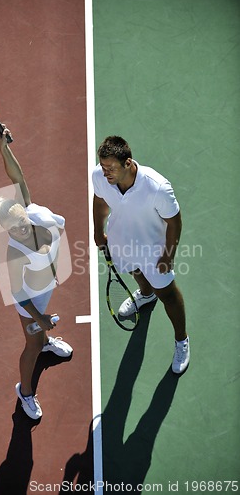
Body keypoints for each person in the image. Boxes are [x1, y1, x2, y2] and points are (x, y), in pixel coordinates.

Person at [0, 127, 73, 419]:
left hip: (47, 283)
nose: (20, 227)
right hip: (31, 299)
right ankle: (24, 392)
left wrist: (3, 148)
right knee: (32, 345)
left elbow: (17, 176)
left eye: (20, 220)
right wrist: (40, 318)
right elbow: (17, 292)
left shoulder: (32, 211)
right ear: (6, 230)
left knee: (40, 339)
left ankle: (46, 341)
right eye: (12, 227)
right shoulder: (15, 254)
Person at [92, 136, 190, 374]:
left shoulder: (157, 187)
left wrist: (168, 256)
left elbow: (174, 222)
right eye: (103, 166)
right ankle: (145, 295)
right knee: (136, 273)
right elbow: (100, 201)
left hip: (154, 251)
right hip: (121, 241)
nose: (105, 173)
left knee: (167, 294)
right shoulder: (100, 176)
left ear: (128, 163)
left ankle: (182, 340)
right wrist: (98, 230)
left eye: (111, 168)